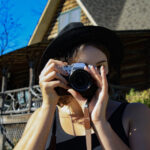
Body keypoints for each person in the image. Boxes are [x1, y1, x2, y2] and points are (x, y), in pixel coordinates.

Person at [14, 22, 150, 150]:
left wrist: (100, 122)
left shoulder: (135, 113)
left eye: (99, 66)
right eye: (82, 69)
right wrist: (48, 106)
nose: (92, 75)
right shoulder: (43, 116)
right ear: (61, 72)